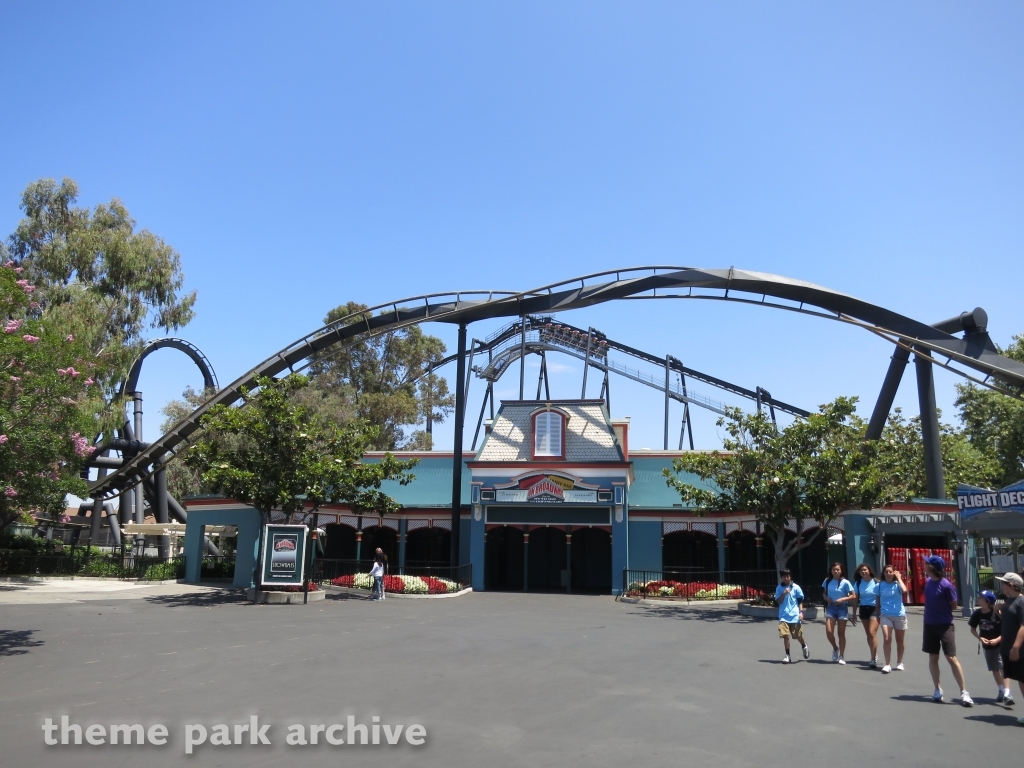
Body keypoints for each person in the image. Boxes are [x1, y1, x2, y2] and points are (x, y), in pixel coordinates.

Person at [921, 555, 972, 706]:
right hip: (929, 625)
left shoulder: (947, 585)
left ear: (931, 567)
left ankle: (964, 692)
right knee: (933, 657)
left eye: (926, 563)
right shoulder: (928, 582)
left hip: (944, 625)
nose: (923, 565)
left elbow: (954, 605)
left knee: (951, 657)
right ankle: (937, 689)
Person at [969, 589, 1012, 705]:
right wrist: (980, 638)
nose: (978, 599)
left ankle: (1007, 693)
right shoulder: (977, 613)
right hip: (986, 645)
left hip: (1000, 644)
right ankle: (1001, 690)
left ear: (988, 601)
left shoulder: (996, 613)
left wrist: (997, 639)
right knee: (994, 668)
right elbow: (972, 629)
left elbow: (1006, 629)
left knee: (1002, 666)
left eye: (981, 598)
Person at [994, 571, 1024, 725]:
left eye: (1003, 583)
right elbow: (1008, 622)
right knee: (1020, 679)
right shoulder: (1008, 601)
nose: (1001, 585)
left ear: (1011, 585)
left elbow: (1023, 626)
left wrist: (1016, 647)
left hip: (1019, 650)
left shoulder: (1021, 602)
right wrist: (998, 611)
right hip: (1008, 647)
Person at [822, 562, 855, 664]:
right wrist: (826, 598)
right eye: (833, 569)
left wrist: (843, 599)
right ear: (831, 571)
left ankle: (841, 656)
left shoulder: (845, 582)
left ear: (841, 571)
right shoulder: (827, 581)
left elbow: (853, 596)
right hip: (831, 607)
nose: (835, 571)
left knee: (841, 633)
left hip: (842, 608)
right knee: (829, 631)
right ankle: (835, 648)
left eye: (837, 570)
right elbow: (823, 593)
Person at [878, 564, 908, 673]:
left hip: (899, 615)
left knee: (899, 640)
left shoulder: (897, 584)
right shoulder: (880, 585)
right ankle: (887, 664)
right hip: (885, 615)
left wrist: (899, 578)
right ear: (884, 573)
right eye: (886, 572)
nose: (888, 574)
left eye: (890, 572)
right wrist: (877, 613)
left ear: (893, 573)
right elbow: (877, 600)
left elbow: (904, 590)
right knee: (887, 638)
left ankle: (899, 662)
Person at [774, 569, 810, 664]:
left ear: (791, 576)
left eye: (788, 576)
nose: (786, 578)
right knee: (785, 635)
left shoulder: (796, 587)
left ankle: (804, 645)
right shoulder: (779, 588)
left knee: (798, 635)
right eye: (784, 576)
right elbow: (778, 601)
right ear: (781, 577)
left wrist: (801, 612)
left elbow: (800, 601)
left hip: (794, 616)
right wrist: (784, 593)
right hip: (783, 616)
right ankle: (787, 656)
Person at [853, 563, 881, 668]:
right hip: (864, 609)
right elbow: (855, 599)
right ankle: (874, 654)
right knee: (868, 635)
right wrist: (854, 613)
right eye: (861, 571)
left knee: (871, 632)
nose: (863, 572)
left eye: (865, 570)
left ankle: (873, 659)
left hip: (875, 609)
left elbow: (882, 596)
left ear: (869, 570)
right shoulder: (858, 583)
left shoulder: (877, 582)